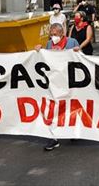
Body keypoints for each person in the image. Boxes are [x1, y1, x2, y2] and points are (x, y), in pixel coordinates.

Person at [35, 22, 80, 151]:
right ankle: (53, 137)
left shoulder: (72, 42)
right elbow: (46, 59)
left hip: (70, 81)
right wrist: (39, 51)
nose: (53, 36)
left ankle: (72, 130)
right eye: (51, 34)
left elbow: (80, 60)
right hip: (54, 82)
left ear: (61, 33)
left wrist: (77, 51)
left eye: (55, 34)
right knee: (53, 107)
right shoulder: (49, 44)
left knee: (70, 105)